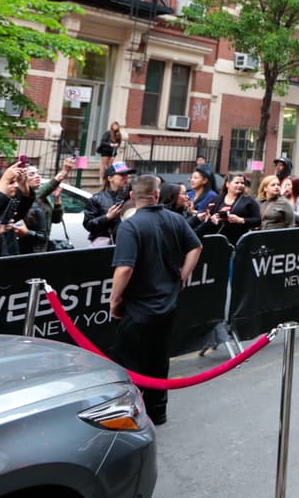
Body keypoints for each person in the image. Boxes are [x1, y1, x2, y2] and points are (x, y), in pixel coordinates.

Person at [109, 175, 202, 426]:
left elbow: (124, 269)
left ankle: (134, 412)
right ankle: (158, 411)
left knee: (132, 361)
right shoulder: (175, 219)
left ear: (131, 196)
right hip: (167, 304)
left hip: (138, 306)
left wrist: (114, 298)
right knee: (159, 358)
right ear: (157, 195)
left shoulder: (130, 226)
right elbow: (196, 247)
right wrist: (182, 276)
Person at [200, 173, 261, 242]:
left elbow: (258, 220)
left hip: (238, 240)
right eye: (237, 183)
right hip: (218, 239)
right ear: (227, 184)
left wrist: (240, 220)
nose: (240, 185)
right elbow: (207, 216)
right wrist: (213, 218)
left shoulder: (249, 200)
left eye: (242, 183)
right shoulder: (217, 199)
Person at [84, 162, 133, 246]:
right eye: (122, 175)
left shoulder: (130, 197)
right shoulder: (96, 199)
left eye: (127, 175)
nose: (126, 178)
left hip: (125, 243)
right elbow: (88, 225)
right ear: (110, 178)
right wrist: (107, 217)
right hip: (104, 245)